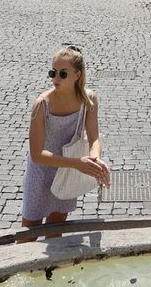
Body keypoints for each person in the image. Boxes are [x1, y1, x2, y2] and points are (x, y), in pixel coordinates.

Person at [22, 47, 109, 233]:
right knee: (29, 234)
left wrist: (94, 159)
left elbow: (94, 138)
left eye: (62, 74)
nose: (56, 79)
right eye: (52, 73)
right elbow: (36, 155)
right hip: (41, 173)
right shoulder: (41, 105)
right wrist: (77, 163)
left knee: (55, 230)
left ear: (78, 75)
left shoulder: (89, 100)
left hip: (67, 173)